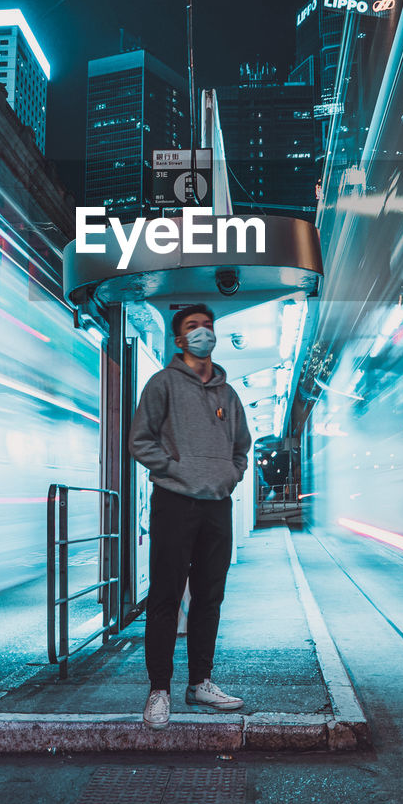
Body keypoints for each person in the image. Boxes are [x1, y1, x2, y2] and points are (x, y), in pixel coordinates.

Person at [128, 302, 252, 729]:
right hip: (175, 502)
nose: (203, 333)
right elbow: (140, 441)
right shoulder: (162, 384)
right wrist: (177, 471)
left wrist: (229, 476)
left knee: (209, 598)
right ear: (180, 340)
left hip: (218, 505)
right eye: (193, 327)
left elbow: (242, 446)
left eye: (207, 326)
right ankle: (158, 691)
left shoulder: (228, 394)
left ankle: (200, 682)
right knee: (164, 598)